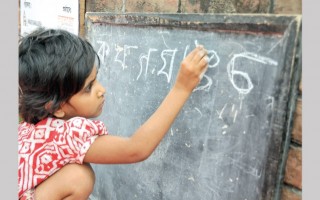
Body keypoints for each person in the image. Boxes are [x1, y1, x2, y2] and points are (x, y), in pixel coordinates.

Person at [18, 28, 209, 200]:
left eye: (96, 79)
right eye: (88, 88)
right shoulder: (67, 136)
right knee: (80, 178)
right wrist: (182, 88)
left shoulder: (29, 126)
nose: (102, 90)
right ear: (57, 107)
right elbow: (136, 149)